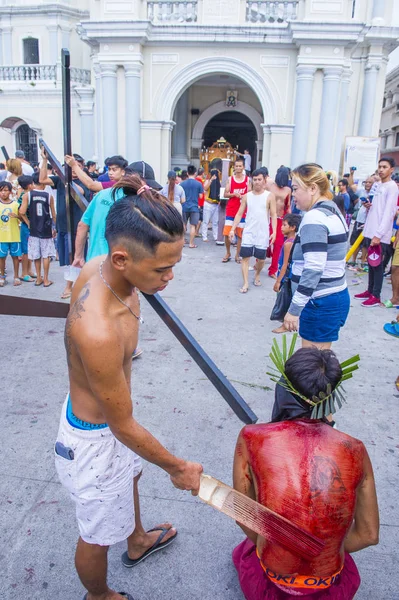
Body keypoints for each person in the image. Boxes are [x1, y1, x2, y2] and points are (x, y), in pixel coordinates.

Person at [56, 180, 203, 600]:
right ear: (122, 259)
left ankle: (136, 541)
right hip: (95, 438)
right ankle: (98, 594)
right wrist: (177, 466)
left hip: (109, 421)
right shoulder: (99, 331)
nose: (169, 278)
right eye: (161, 270)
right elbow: (121, 426)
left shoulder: (104, 266)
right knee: (96, 533)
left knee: (130, 476)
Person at [233, 346, 379, 600]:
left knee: (248, 549)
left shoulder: (252, 437)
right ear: (331, 398)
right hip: (327, 583)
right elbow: (369, 534)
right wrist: (322, 551)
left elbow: (244, 516)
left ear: (283, 390)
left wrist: (286, 548)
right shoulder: (355, 449)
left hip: (273, 581)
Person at [283, 163, 350, 349]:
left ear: (313, 188)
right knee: (316, 363)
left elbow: (313, 268)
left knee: (312, 368)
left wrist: (294, 310)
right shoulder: (332, 210)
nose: (293, 194)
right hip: (330, 297)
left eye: (296, 189)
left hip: (320, 301)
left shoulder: (314, 218)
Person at [354, 157, 398, 307]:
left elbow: (388, 213)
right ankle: (369, 290)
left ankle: (376, 295)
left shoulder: (392, 187)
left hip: (380, 234)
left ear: (392, 169)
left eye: (384, 167)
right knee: (370, 264)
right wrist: (368, 206)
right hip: (370, 229)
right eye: (379, 166)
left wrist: (378, 235)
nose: (381, 169)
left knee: (377, 265)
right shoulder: (378, 185)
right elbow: (377, 208)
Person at [229, 169, 276, 293]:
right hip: (249, 232)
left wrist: (274, 232)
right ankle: (245, 283)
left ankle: (257, 274)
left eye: (259, 179)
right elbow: (239, 213)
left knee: (261, 259)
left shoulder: (269, 196)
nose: (257, 182)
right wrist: (233, 229)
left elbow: (274, 215)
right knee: (245, 257)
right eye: (254, 180)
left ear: (264, 180)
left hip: (263, 233)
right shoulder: (247, 196)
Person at [39, 147, 73, 299]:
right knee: (67, 259)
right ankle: (70, 286)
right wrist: (45, 159)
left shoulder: (83, 182)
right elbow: (42, 180)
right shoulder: (60, 180)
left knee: (76, 258)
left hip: (77, 227)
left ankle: (71, 286)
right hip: (63, 225)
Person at [20, 172, 56, 287]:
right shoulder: (48, 196)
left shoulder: (28, 195)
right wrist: (55, 227)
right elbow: (53, 214)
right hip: (46, 228)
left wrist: (28, 223)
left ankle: (38, 278)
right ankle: (46, 279)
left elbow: (21, 212)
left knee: (36, 255)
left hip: (34, 229)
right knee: (46, 255)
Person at [272, 213, 302, 334]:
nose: (281, 227)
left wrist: (278, 280)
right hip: (290, 275)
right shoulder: (293, 240)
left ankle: (286, 325)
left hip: (287, 276)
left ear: (292, 227)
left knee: (285, 299)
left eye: (284, 225)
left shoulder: (289, 243)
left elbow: (285, 264)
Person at [223, 158, 251, 263]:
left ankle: (237, 255)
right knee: (227, 233)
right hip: (231, 210)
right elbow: (225, 194)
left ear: (243, 167)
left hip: (242, 210)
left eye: (240, 166)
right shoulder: (230, 179)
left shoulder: (247, 180)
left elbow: (250, 194)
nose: (238, 168)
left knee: (240, 234)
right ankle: (228, 252)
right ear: (234, 167)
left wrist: (244, 196)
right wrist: (233, 194)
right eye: (236, 166)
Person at [266, 166, 292, 278]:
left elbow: (288, 205)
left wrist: (289, 219)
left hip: (280, 219)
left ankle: (273, 269)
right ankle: (260, 262)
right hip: (269, 217)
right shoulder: (270, 187)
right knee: (265, 241)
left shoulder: (288, 190)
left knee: (278, 245)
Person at [348, 177, 373, 270]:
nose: (367, 184)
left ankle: (363, 261)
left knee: (365, 243)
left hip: (369, 221)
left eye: (370, 182)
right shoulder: (362, 191)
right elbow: (351, 186)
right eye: (366, 182)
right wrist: (351, 174)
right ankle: (353, 260)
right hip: (359, 219)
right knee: (355, 241)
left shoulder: (375, 194)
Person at [0, 181, 22, 287]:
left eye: (5, 190)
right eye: (1, 191)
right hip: (2, 237)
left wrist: (17, 216)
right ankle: (2, 276)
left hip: (14, 235)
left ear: (10, 192)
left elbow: (23, 218)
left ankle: (16, 276)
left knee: (15, 257)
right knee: (1, 258)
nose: (3, 193)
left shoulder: (15, 205)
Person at [17, 175, 36, 282]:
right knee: (26, 251)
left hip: (28, 225)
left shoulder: (27, 194)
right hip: (26, 226)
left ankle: (29, 271)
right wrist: (28, 222)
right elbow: (21, 212)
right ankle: (24, 273)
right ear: (29, 185)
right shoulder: (25, 196)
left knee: (30, 249)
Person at [180, 165, 203, 248]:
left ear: (187, 173)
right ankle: (191, 243)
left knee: (183, 224)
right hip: (194, 207)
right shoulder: (199, 184)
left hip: (184, 206)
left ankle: (182, 242)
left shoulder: (182, 184)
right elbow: (201, 196)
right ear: (195, 173)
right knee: (193, 225)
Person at [201, 169, 220, 242]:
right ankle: (204, 237)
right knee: (206, 221)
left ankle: (216, 236)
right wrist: (211, 180)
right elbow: (205, 188)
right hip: (208, 204)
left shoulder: (219, 182)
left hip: (216, 204)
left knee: (215, 222)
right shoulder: (207, 181)